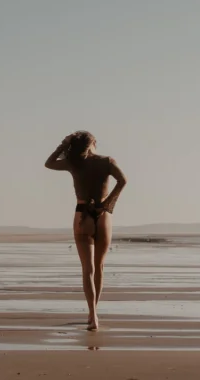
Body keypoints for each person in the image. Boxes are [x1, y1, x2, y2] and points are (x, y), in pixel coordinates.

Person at [44, 130, 127, 331]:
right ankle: (94, 313)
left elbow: (49, 163)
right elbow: (123, 181)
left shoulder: (74, 163)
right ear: (93, 144)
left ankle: (93, 315)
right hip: (103, 214)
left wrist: (63, 145)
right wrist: (107, 203)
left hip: (82, 214)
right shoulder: (107, 161)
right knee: (99, 267)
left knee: (87, 269)